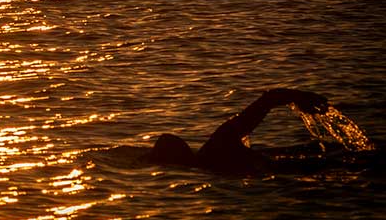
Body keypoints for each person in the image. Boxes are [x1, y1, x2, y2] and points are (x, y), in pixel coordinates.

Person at [141, 88, 330, 174]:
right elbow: (267, 100)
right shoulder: (215, 150)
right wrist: (298, 97)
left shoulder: (216, 150)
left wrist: (299, 97)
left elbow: (266, 101)